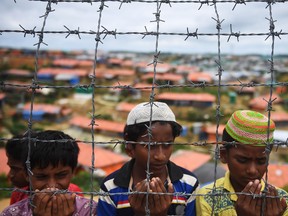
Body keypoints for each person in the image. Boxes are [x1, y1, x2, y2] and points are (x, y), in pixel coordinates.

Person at [97, 101, 199, 216]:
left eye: (167, 144)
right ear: (130, 148)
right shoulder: (111, 188)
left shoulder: (188, 184)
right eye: (150, 146)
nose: (160, 156)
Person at [196, 110, 288, 216]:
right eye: (242, 160)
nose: (252, 170)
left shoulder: (280, 201)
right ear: (224, 155)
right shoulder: (209, 197)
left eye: (261, 161)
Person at [1, 130, 97, 216]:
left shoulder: (90, 211)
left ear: (73, 172)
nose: (51, 186)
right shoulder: (13, 213)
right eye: (41, 176)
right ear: (27, 175)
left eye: (61, 175)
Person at [5, 132, 84, 205]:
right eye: (41, 176)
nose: (10, 175)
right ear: (26, 172)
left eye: (16, 169)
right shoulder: (18, 195)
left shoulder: (73, 195)